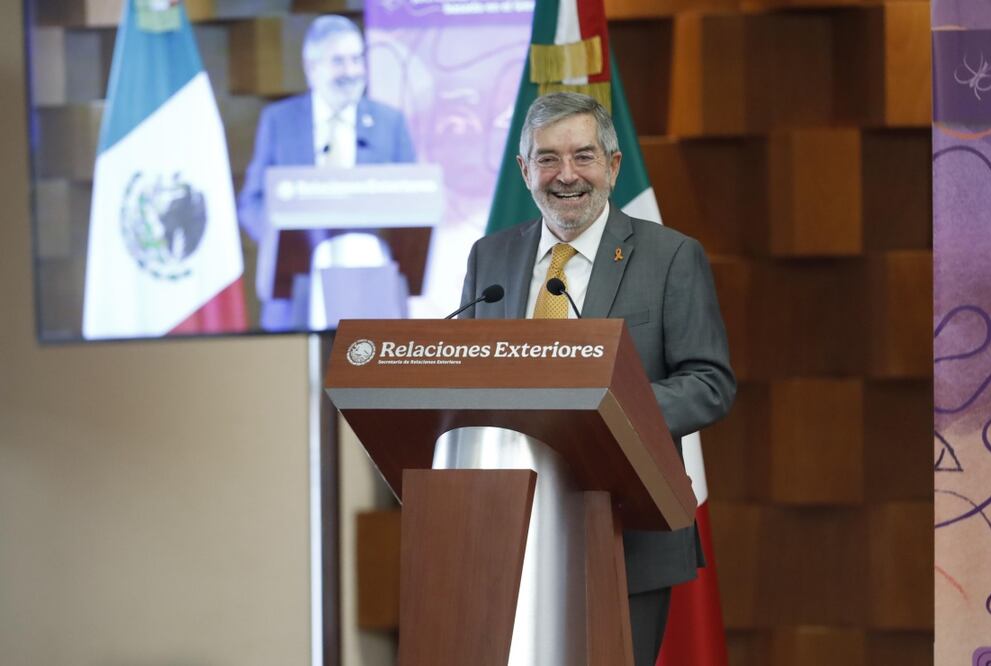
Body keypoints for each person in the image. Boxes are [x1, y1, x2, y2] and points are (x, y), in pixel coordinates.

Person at [458, 92, 736, 665]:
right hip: (507, 529)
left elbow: (709, 382)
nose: (566, 176)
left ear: (612, 165)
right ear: (524, 170)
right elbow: (471, 373)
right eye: (548, 159)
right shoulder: (489, 258)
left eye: (583, 157)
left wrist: (607, 413)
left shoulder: (669, 257)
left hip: (625, 531)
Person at [237, 15, 416, 331]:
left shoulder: (390, 123)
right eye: (338, 61)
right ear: (312, 67)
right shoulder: (280, 121)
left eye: (356, 59)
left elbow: (415, 201)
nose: (351, 71)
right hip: (298, 292)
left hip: (371, 289)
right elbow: (252, 202)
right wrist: (281, 239)